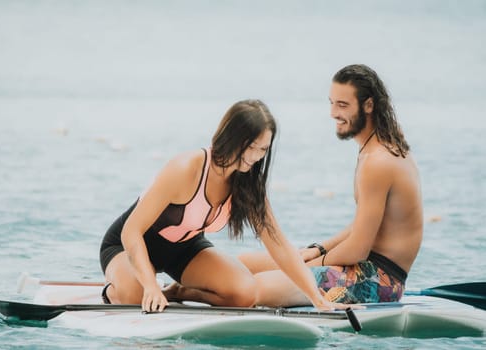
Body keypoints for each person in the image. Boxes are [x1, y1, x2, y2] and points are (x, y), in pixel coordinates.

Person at [99, 99, 351, 312]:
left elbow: (280, 246)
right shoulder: (186, 168)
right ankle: (115, 291)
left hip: (183, 250)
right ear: (231, 137)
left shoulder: (249, 186)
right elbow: (130, 231)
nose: (255, 156)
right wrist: (150, 286)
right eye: (250, 146)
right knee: (134, 298)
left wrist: (318, 299)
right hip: (128, 245)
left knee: (245, 293)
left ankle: (178, 292)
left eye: (262, 149)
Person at [239, 64, 423, 307]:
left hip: (380, 280)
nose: (333, 113)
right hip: (360, 266)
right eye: (332, 103)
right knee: (241, 264)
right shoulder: (377, 146)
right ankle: (179, 289)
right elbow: (363, 224)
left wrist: (304, 266)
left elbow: (357, 249)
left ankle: (181, 293)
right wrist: (317, 249)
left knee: (255, 286)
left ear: (369, 105)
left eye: (343, 105)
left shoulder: (378, 161)